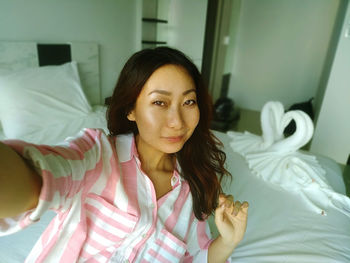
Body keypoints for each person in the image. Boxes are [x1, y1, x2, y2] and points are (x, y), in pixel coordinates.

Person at [0, 47, 248, 262]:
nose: (177, 122)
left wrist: (228, 241)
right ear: (131, 109)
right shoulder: (96, 155)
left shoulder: (195, 185)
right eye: (160, 103)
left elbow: (194, 257)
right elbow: (38, 177)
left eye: (189, 102)